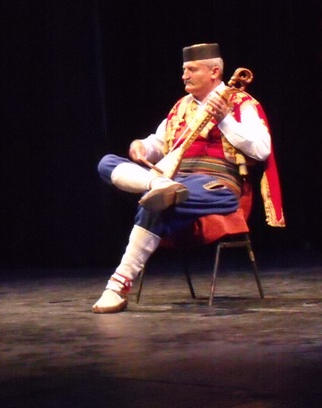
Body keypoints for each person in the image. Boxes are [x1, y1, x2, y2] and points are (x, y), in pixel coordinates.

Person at [93, 42, 284, 314]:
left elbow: (262, 149)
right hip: (175, 180)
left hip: (218, 187)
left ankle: (117, 285)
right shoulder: (181, 106)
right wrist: (141, 146)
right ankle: (158, 184)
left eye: (192, 70)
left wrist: (225, 119)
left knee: (159, 201)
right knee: (107, 163)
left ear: (214, 72)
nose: (184, 76)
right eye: (184, 70)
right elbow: (158, 143)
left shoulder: (241, 104)